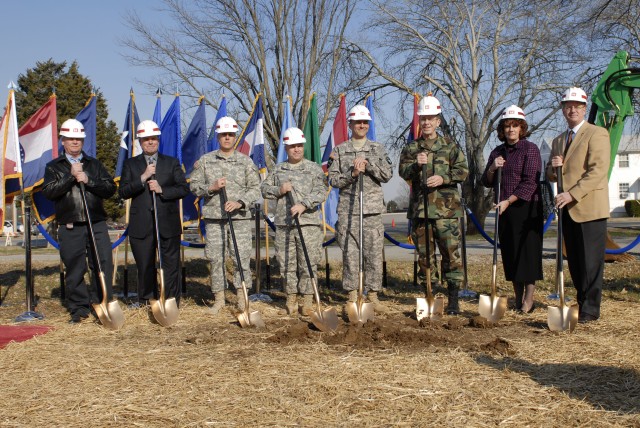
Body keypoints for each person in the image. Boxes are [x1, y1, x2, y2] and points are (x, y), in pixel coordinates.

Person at [398, 95, 468, 315]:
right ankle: (429, 293)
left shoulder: (450, 146)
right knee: (425, 256)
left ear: (438, 121)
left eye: (431, 118)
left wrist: (443, 178)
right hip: (421, 211)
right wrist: (416, 167)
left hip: (446, 211)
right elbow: (402, 172)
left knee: (451, 254)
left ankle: (454, 298)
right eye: (423, 119)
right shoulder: (412, 148)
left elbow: (463, 171)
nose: (427, 122)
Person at [42, 118, 117, 323]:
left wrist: (88, 180)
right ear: (63, 141)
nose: (75, 142)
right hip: (70, 225)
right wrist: (70, 177)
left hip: (96, 223)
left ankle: (101, 302)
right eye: (70, 139)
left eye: (78, 139)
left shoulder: (94, 164)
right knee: (75, 269)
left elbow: (110, 189)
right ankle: (79, 309)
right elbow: (48, 192)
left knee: (103, 264)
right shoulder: (54, 167)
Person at [547, 87, 610, 323]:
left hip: (589, 207)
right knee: (575, 260)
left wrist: (572, 194)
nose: (572, 109)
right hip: (567, 210)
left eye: (577, 106)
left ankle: (591, 309)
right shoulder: (558, 140)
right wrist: (554, 167)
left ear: (584, 108)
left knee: (591, 262)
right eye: (568, 106)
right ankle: (582, 302)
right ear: (563, 109)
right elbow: (551, 175)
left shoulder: (597, 133)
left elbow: (597, 171)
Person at [190, 116, 261, 314]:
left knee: (241, 258)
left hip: (239, 218)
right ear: (218, 137)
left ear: (235, 136)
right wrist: (210, 187)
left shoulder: (245, 162)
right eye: (223, 135)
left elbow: (256, 188)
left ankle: (241, 298)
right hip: (214, 219)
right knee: (216, 258)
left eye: (230, 135)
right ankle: (219, 299)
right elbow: (194, 187)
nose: (227, 138)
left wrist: (240, 202)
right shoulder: (205, 161)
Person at [328, 104, 393, 313]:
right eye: (358, 122)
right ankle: (352, 294)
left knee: (373, 253)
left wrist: (369, 165)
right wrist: (353, 174)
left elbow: (387, 175)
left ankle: (372, 294)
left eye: (365, 122)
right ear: (350, 124)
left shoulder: (377, 149)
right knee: (350, 254)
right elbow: (333, 180)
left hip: (372, 210)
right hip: (349, 210)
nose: (362, 126)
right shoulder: (339, 150)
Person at [118, 120, 189, 307]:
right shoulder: (131, 164)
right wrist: (142, 178)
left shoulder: (171, 163)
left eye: (154, 139)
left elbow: (183, 189)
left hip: (167, 224)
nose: (151, 142)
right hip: (141, 225)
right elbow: (123, 191)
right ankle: (147, 301)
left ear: (158, 140)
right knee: (145, 266)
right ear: (140, 142)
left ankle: (171, 301)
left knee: (170, 266)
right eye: (146, 139)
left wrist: (162, 190)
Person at [481, 105, 543, 314]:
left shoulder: (530, 149)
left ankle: (529, 299)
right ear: (502, 129)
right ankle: (517, 298)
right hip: (504, 209)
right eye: (507, 126)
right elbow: (486, 181)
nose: (511, 130)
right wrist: (492, 167)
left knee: (527, 253)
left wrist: (509, 200)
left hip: (526, 207)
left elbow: (530, 182)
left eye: (515, 126)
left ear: (521, 128)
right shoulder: (497, 152)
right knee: (511, 253)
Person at [261, 127, 328, 316]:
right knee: (287, 263)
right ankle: (291, 298)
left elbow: (322, 191)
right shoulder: (278, 169)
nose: (296, 149)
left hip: (308, 224)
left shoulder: (313, 168)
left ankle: (307, 300)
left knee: (308, 263)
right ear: (286, 147)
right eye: (292, 146)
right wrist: (279, 190)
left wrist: (304, 205)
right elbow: (264, 188)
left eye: (299, 146)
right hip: (285, 225)